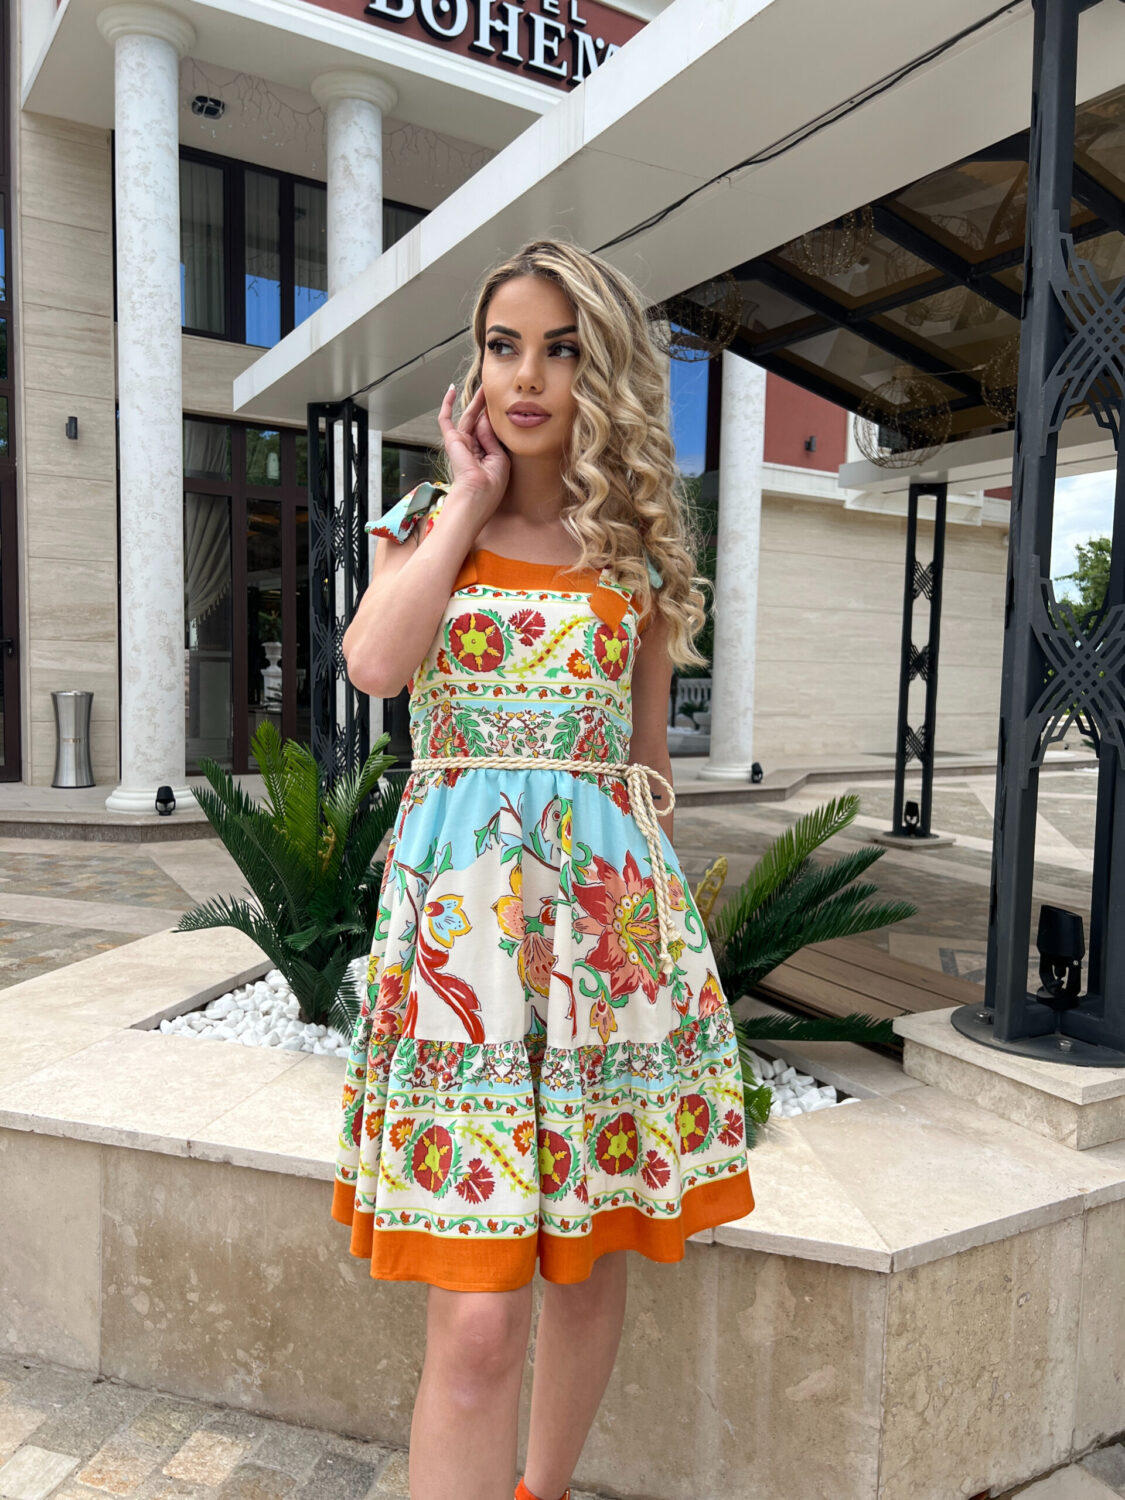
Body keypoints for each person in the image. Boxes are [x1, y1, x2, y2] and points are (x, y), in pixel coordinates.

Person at [331, 237, 755, 1500]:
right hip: (459, 957)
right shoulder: (422, 526)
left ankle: (543, 1491)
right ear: (475, 366)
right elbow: (375, 667)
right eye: (504, 346)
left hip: (606, 952)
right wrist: (466, 501)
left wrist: (666, 973)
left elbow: (644, 775)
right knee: (475, 1321)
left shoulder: (635, 552)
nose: (527, 376)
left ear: (600, 372)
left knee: (584, 1262)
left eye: (561, 351)